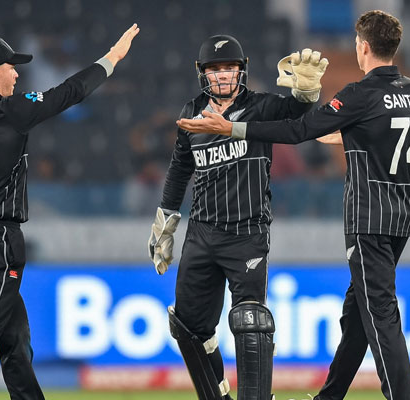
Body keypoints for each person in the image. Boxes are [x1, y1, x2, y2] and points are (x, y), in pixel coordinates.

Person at [178, 10, 410, 400]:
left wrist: (233, 127)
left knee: (380, 319)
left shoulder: (361, 94)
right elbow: (378, 136)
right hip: (402, 215)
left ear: (362, 47)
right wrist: (341, 132)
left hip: (369, 218)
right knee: (357, 317)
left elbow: (298, 130)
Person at [0, 24, 140, 400]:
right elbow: (70, 92)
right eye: (12, 67)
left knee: (15, 345)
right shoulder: (11, 112)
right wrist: (112, 58)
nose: (17, 73)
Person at [147, 34, 328, 400]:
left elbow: (296, 113)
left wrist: (306, 94)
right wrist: (165, 223)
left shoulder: (260, 107)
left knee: (251, 321)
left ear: (242, 71)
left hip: (247, 233)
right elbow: (179, 170)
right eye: (215, 70)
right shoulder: (189, 113)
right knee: (187, 327)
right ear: (201, 74)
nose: (223, 76)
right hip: (201, 233)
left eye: (229, 68)